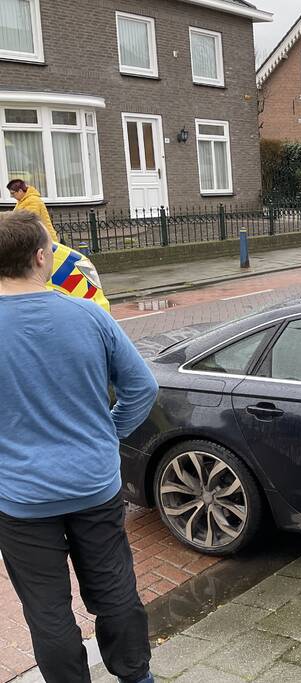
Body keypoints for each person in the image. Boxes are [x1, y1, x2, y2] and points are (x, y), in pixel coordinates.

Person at [0, 211, 158, 683]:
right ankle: (137, 677)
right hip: (93, 484)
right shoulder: (88, 314)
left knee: (47, 609)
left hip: (22, 498)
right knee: (115, 590)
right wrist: (108, 433)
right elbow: (142, 388)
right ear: (40, 257)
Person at [7, 178, 57, 243]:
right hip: (39, 238)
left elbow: (29, 221)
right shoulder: (22, 201)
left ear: (20, 191)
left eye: (13, 193)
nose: (12, 196)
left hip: (45, 240)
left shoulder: (33, 200)